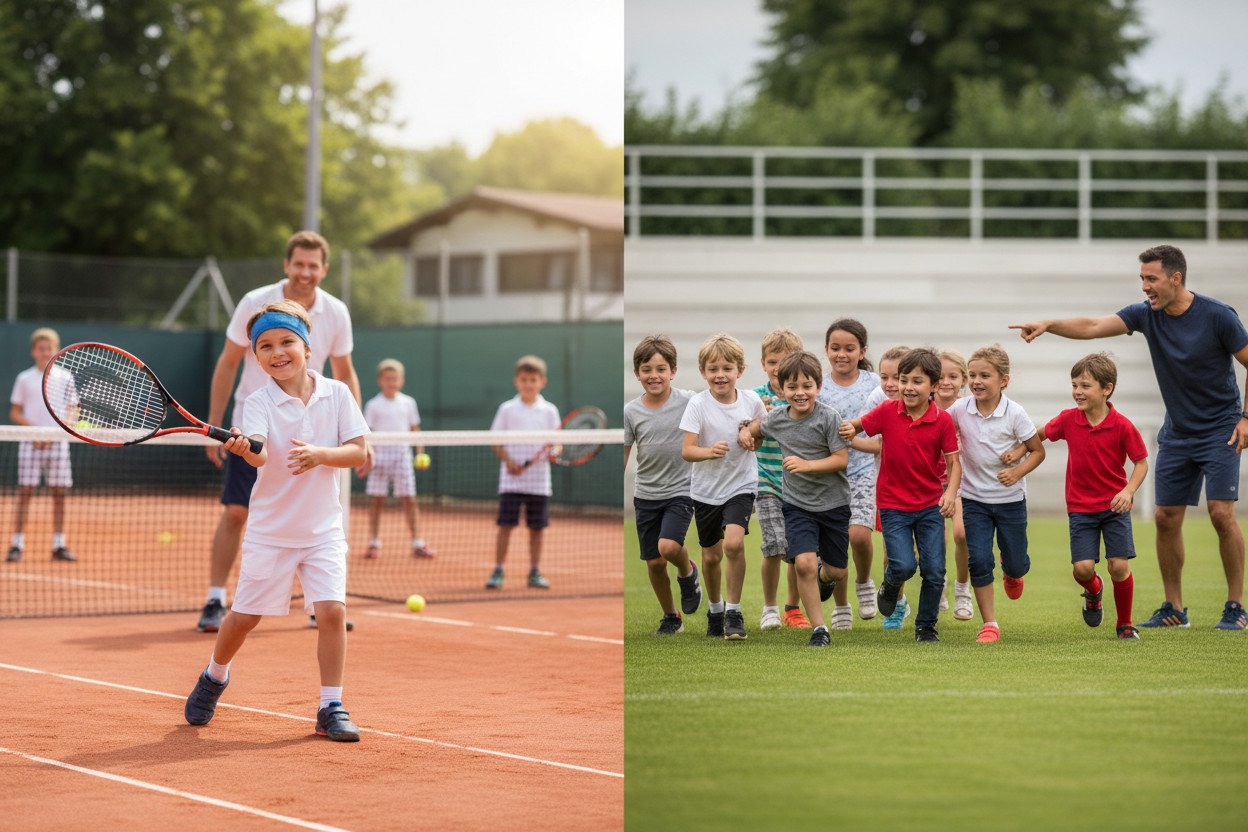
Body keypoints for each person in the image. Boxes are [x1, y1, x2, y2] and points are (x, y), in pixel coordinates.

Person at [1011, 244, 1248, 631]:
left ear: (1176, 278)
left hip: (1221, 430)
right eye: (1142, 279)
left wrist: (1246, 418)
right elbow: (1091, 327)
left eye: (1151, 279)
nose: (1145, 287)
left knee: (1221, 513)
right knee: (1165, 516)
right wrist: (1049, 325)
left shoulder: (1218, 316)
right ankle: (1174, 607)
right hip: (1178, 431)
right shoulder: (1146, 315)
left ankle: (1236, 606)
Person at [183, 300, 369, 742]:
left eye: (286, 341)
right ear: (256, 356)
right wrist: (246, 448)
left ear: (307, 347)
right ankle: (215, 674)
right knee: (244, 618)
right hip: (270, 533)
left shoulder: (338, 393)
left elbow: (359, 451)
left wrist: (321, 454)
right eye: (264, 346)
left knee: (332, 612)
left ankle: (331, 705)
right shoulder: (256, 400)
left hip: (323, 531)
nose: (276, 351)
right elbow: (262, 451)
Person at [197, 230, 365, 633]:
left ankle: (320, 605)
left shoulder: (336, 312)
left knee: (319, 518)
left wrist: (358, 435)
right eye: (299, 264)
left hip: (315, 426)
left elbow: (345, 372)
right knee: (237, 512)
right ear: (286, 265)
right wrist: (216, 423)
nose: (305, 272)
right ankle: (216, 598)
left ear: (323, 269)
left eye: (313, 265)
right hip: (255, 424)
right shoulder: (254, 302)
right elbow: (228, 361)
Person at [1028, 353, 1149, 639]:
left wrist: (1128, 490)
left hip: (1114, 508)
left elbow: (1141, 462)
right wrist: (1020, 451)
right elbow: (1040, 434)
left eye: (1085, 386)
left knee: (1118, 565)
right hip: (1081, 508)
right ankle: (1093, 591)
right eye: (1074, 385)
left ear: (1106, 389)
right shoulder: (1069, 419)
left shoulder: (1122, 425)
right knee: (1083, 569)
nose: (1077, 392)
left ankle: (1125, 625)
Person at [845, 348, 961, 642]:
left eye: (916, 381)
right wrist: (845, 427)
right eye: (904, 380)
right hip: (893, 505)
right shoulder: (886, 411)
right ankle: (889, 585)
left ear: (933, 386)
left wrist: (950, 494)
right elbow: (856, 426)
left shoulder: (943, 421)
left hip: (929, 506)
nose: (908, 387)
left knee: (934, 570)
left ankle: (925, 626)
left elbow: (953, 463)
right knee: (904, 565)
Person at [739, 351, 851, 647]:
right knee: (802, 562)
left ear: (818, 386)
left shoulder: (829, 417)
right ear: (782, 388)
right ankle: (819, 629)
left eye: (806, 386)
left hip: (834, 504)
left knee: (837, 570)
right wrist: (744, 434)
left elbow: (841, 459)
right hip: (797, 505)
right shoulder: (776, 418)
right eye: (792, 387)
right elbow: (754, 429)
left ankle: (823, 577)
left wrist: (807, 465)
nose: (800, 393)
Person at [946, 345, 1046, 643]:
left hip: (1010, 502)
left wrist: (1017, 471)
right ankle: (989, 623)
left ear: (1004, 380)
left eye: (984, 375)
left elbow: (1037, 451)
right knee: (978, 560)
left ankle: (1012, 570)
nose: (976, 381)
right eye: (972, 375)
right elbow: (937, 426)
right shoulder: (960, 409)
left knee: (1017, 563)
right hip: (974, 500)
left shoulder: (1014, 413)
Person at [680, 332, 766, 640]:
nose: (720, 375)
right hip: (705, 490)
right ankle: (715, 609)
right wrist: (709, 452)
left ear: (739, 371)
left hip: (741, 484)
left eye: (727, 368)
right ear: (703, 372)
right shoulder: (697, 405)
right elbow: (688, 450)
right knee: (712, 555)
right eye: (713, 369)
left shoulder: (752, 401)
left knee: (733, 544)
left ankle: (734, 611)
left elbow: (762, 432)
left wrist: (752, 436)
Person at [624, 335, 701, 634]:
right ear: (637, 373)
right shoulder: (631, 411)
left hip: (681, 490)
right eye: (646, 369)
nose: (653, 376)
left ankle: (687, 571)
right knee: (654, 563)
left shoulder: (689, 401)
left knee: (668, 547)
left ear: (673, 371)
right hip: (646, 495)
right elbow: (625, 453)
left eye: (660, 369)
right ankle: (672, 616)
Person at [816, 319, 880, 624]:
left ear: (862, 351)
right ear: (826, 350)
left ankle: (864, 580)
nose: (842, 354)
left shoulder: (874, 384)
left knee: (858, 535)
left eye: (850, 348)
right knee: (835, 540)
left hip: (863, 469)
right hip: (827, 474)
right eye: (835, 348)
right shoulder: (818, 384)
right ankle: (841, 606)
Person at [752, 328, 812, 630]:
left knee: (797, 549)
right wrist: (759, 420)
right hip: (766, 483)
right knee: (774, 545)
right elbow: (748, 437)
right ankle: (769, 607)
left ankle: (792, 608)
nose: (778, 368)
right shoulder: (755, 399)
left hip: (800, 485)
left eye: (785, 360)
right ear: (763, 364)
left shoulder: (806, 398)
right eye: (772, 361)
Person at [486, 355, 560, 590]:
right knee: (505, 526)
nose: (528, 384)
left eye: (533, 380)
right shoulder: (507, 409)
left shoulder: (549, 411)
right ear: (516, 381)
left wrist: (554, 452)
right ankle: (498, 570)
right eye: (524, 379)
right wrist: (508, 461)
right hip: (511, 483)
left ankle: (535, 572)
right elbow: (495, 441)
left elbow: (558, 443)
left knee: (537, 529)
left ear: (542, 382)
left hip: (538, 483)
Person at [8, 327, 76, 562]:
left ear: (56, 350)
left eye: (49, 348)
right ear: (33, 351)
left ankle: (59, 544)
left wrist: (59, 431)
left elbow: (73, 410)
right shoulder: (24, 378)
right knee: (25, 492)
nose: (45, 352)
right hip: (30, 444)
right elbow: (15, 413)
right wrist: (35, 433)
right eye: (41, 348)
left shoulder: (65, 377)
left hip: (58, 444)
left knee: (59, 494)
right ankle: (16, 543)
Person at [362, 358, 433, 560]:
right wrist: (368, 456)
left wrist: (420, 452)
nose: (391, 382)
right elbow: (367, 433)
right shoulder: (373, 405)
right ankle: (374, 542)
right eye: (387, 378)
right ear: (380, 381)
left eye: (395, 378)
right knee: (376, 501)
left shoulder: (408, 403)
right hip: (380, 459)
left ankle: (418, 542)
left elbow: (414, 429)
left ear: (401, 381)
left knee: (410, 500)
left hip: (402, 458)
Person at [935, 349, 974, 621]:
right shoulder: (923, 405)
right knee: (934, 538)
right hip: (928, 481)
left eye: (953, 376)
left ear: (964, 380)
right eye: (940, 376)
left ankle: (963, 589)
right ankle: (939, 582)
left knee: (961, 534)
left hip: (961, 480)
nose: (946, 381)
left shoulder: (969, 407)